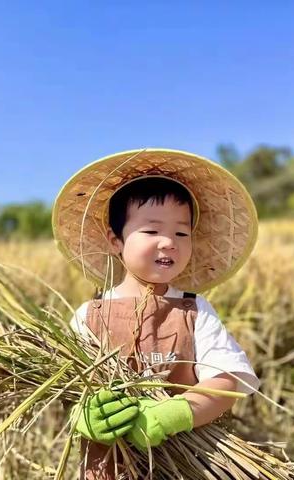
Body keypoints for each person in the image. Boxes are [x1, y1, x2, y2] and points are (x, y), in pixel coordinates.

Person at [52, 148, 260, 479]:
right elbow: (65, 390)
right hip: (108, 466)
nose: (168, 242)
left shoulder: (194, 310)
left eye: (181, 233)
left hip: (186, 463)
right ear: (115, 240)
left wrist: (178, 412)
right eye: (151, 231)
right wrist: (83, 413)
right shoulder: (89, 315)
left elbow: (228, 379)